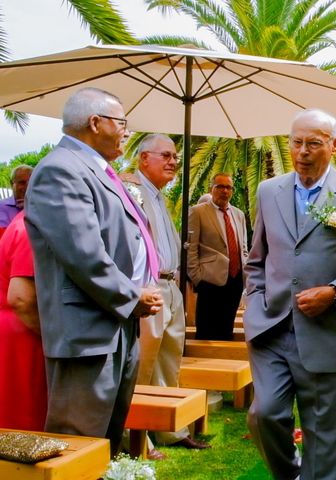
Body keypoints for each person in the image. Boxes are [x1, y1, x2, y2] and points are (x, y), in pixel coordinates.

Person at [244, 109, 336, 480]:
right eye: (296, 142)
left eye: (313, 143)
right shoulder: (268, 191)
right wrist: (255, 299)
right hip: (270, 328)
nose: (302, 151)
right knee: (264, 415)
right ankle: (290, 474)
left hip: (324, 331)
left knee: (323, 434)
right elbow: (256, 259)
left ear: (334, 145)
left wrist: (334, 292)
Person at [24, 87, 163, 456]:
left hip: (115, 324)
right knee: (77, 444)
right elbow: (83, 253)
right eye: (122, 123)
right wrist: (132, 296)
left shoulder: (98, 170)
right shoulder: (60, 169)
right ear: (95, 122)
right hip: (86, 332)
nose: (126, 132)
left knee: (107, 443)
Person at [122, 134, 209, 454]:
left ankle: (169, 428)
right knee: (143, 362)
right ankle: (136, 433)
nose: (174, 162)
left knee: (170, 361)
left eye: (176, 157)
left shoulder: (159, 196)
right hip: (149, 287)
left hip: (172, 286)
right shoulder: (130, 191)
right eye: (166, 156)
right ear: (144, 158)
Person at [0, 211, 46, 430]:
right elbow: (21, 298)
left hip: (14, 328)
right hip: (23, 334)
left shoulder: (23, 220)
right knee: (24, 421)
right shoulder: (32, 226)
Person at [187, 173, 248, 340]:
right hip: (209, 281)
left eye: (228, 187)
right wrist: (197, 277)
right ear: (211, 189)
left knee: (227, 331)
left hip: (235, 281)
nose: (224, 191)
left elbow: (243, 248)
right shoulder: (198, 212)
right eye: (220, 187)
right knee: (206, 333)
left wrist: (245, 275)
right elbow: (190, 248)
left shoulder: (238, 214)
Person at [0, 165, 32, 238]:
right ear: (12, 184)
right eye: (22, 183)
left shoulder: (41, 207)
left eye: (30, 182)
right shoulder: (1, 207)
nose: (27, 186)